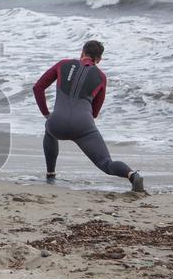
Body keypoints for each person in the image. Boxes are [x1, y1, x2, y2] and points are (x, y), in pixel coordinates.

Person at [32, 40, 144, 192]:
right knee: (106, 163)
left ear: (82, 52)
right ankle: (132, 175)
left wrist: (46, 114)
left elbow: (38, 88)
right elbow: (95, 112)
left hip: (56, 123)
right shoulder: (101, 77)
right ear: (98, 60)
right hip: (83, 126)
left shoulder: (63, 64)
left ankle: (50, 174)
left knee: (49, 129)